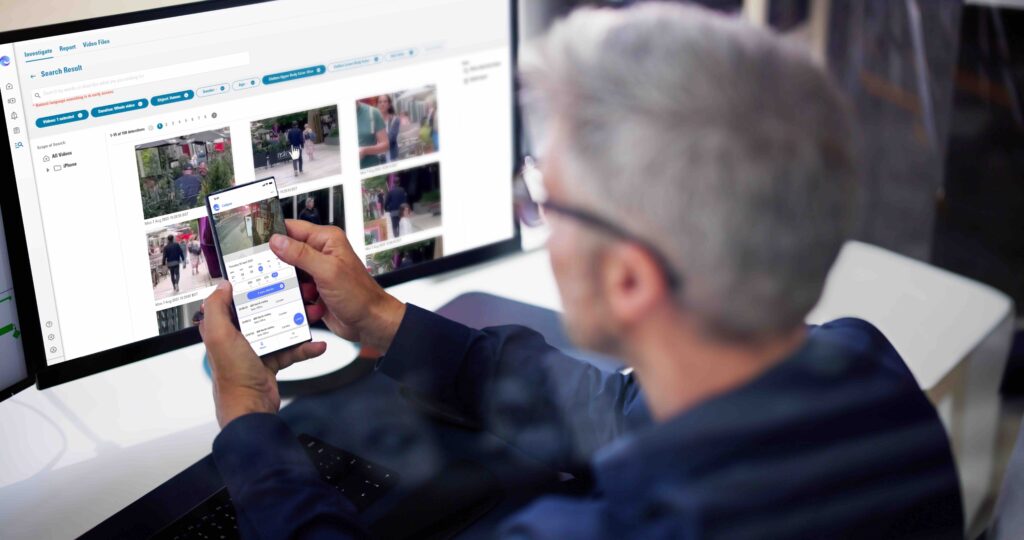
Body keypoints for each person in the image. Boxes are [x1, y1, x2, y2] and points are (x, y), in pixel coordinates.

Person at [198, 4, 962, 539]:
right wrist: (386, 323)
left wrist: (250, 425)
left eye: (545, 200)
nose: (538, 220)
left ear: (630, 278)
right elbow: (615, 409)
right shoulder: (861, 361)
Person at [357, 101, 389, 168]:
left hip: (371, 170)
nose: (382, 104)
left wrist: (364, 151)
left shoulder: (373, 113)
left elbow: (386, 144)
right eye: (380, 102)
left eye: (384, 102)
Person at [377, 94, 401, 162]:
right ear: (377, 105)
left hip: (392, 157)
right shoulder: (374, 120)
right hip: (378, 158)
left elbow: (390, 139)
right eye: (380, 102)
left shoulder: (395, 119)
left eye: (385, 101)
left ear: (389, 104)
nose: (382, 104)